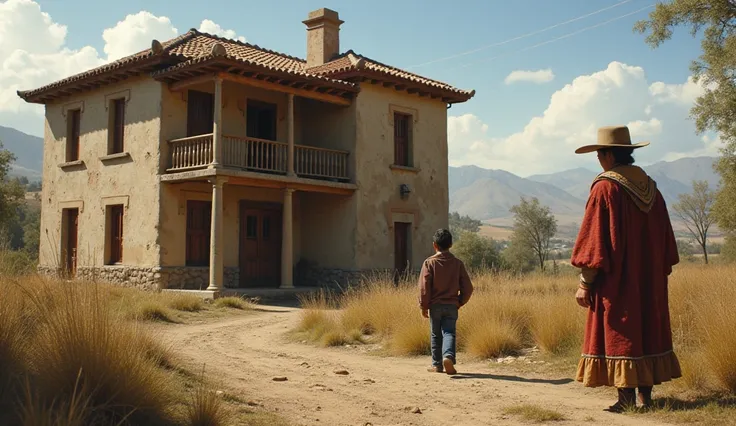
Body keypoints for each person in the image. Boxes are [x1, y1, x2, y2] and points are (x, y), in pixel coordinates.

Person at [571, 125, 682, 412]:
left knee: (622, 329)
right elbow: (667, 241)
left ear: (608, 155)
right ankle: (646, 397)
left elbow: (594, 242)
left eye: (599, 153)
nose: (598, 159)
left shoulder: (605, 187)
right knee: (647, 327)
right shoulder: (652, 188)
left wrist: (586, 282)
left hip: (617, 281)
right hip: (651, 279)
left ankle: (626, 399)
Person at [417, 228, 474, 375]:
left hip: (435, 306)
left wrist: (424, 306)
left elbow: (424, 288)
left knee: (436, 334)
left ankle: (437, 365)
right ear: (451, 244)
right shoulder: (457, 264)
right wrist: (460, 302)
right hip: (451, 305)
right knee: (449, 332)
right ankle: (448, 356)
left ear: (435, 245)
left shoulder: (429, 263)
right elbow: (468, 288)